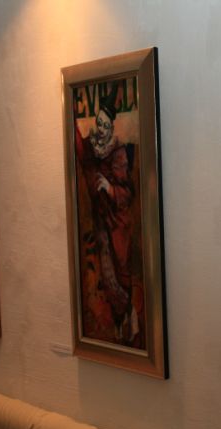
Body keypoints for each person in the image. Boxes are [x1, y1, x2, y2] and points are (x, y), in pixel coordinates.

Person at [75, 96, 141, 344]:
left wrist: (110, 188)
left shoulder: (118, 153)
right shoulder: (93, 150)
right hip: (102, 223)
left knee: (121, 274)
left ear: (111, 127)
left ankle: (128, 317)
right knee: (107, 275)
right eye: (98, 124)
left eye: (105, 125)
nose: (101, 129)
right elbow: (81, 153)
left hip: (118, 225)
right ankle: (121, 319)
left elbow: (128, 194)